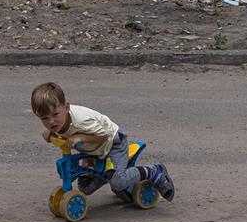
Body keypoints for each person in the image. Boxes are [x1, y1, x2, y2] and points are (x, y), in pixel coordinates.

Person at [30, 81, 174, 203]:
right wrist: (52, 132)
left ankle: (154, 171)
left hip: (113, 143)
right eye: (44, 118)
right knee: (85, 187)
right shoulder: (57, 122)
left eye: (55, 115)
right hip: (95, 150)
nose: (51, 121)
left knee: (118, 181)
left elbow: (104, 136)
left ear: (66, 107)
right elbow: (57, 127)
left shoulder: (82, 122)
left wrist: (80, 137)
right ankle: (109, 175)